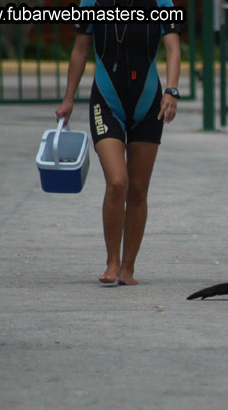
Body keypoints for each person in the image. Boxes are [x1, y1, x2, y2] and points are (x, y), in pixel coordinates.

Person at [56, 0, 181, 286]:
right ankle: (112, 262)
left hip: (148, 103)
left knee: (137, 189)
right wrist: (68, 99)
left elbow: (173, 48)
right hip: (106, 101)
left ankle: (128, 267)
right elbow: (80, 49)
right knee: (117, 182)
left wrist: (172, 90)